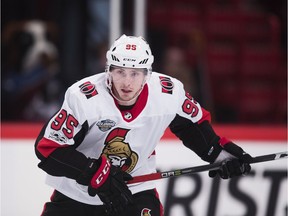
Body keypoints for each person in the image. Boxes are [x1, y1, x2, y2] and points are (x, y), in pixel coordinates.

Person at [35, 34, 253, 216]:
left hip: (134, 190)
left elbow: (193, 127)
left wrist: (218, 154)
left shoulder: (168, 92)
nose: (127, 82)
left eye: (135, 73)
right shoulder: (84, 97)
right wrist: (93, 172)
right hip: (77, 193)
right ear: (108, 71)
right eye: (120, 71)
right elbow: (48, 148)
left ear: (147, 74)